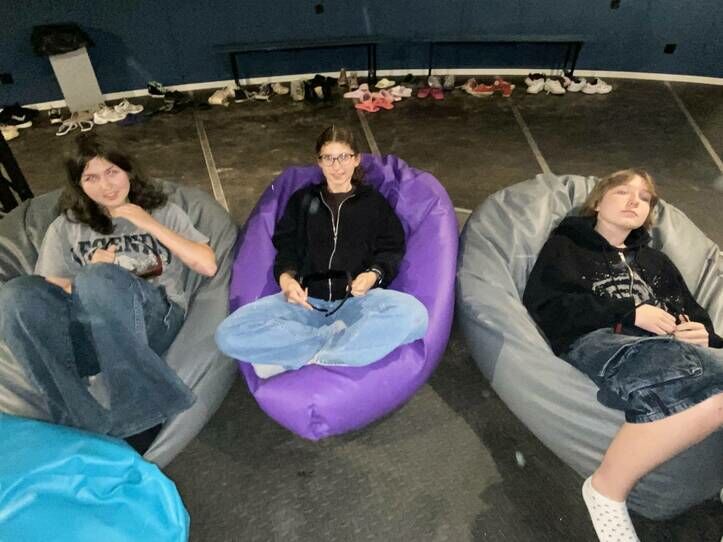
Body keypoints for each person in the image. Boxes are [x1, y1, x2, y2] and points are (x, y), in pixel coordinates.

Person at [522, 169, 723, 542]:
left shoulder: (657, 262)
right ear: (598, 202)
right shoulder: (565, 247)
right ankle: (606, 490)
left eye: (644, 198)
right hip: (602, 342)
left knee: (715, 398)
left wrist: (705, 335)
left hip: (673, 349)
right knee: (695, 375)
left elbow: (695, 315)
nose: (634, 201)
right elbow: (549, 308)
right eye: (622, 192)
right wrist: (628, 313)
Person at [0, 134, 217, 452]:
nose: (106, 186)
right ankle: (79, 418)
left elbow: (207, 265)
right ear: (79, 184)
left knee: (100, 280)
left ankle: (140, 416)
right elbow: (47, 291)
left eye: (112, 172)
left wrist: (147, 222)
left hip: (153, 321)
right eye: (91, 178)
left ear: (128, 170)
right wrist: (86, 275)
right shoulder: (67, 226)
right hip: (91, 330)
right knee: (15, 295)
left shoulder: (162, 211)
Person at [215, 125, 428, 378]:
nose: (337, 166)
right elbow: (286, 247)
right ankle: (334, 342)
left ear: (356, 159)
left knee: (415, 315)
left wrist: (372, 275)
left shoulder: (373, 203)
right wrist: (286, 280)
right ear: (319, 161)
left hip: (356, 302)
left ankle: (307, 354)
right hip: (306, 302)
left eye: (344, 157)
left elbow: (391, 248)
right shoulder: (303, 200)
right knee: (228, 334)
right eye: (328, 158)